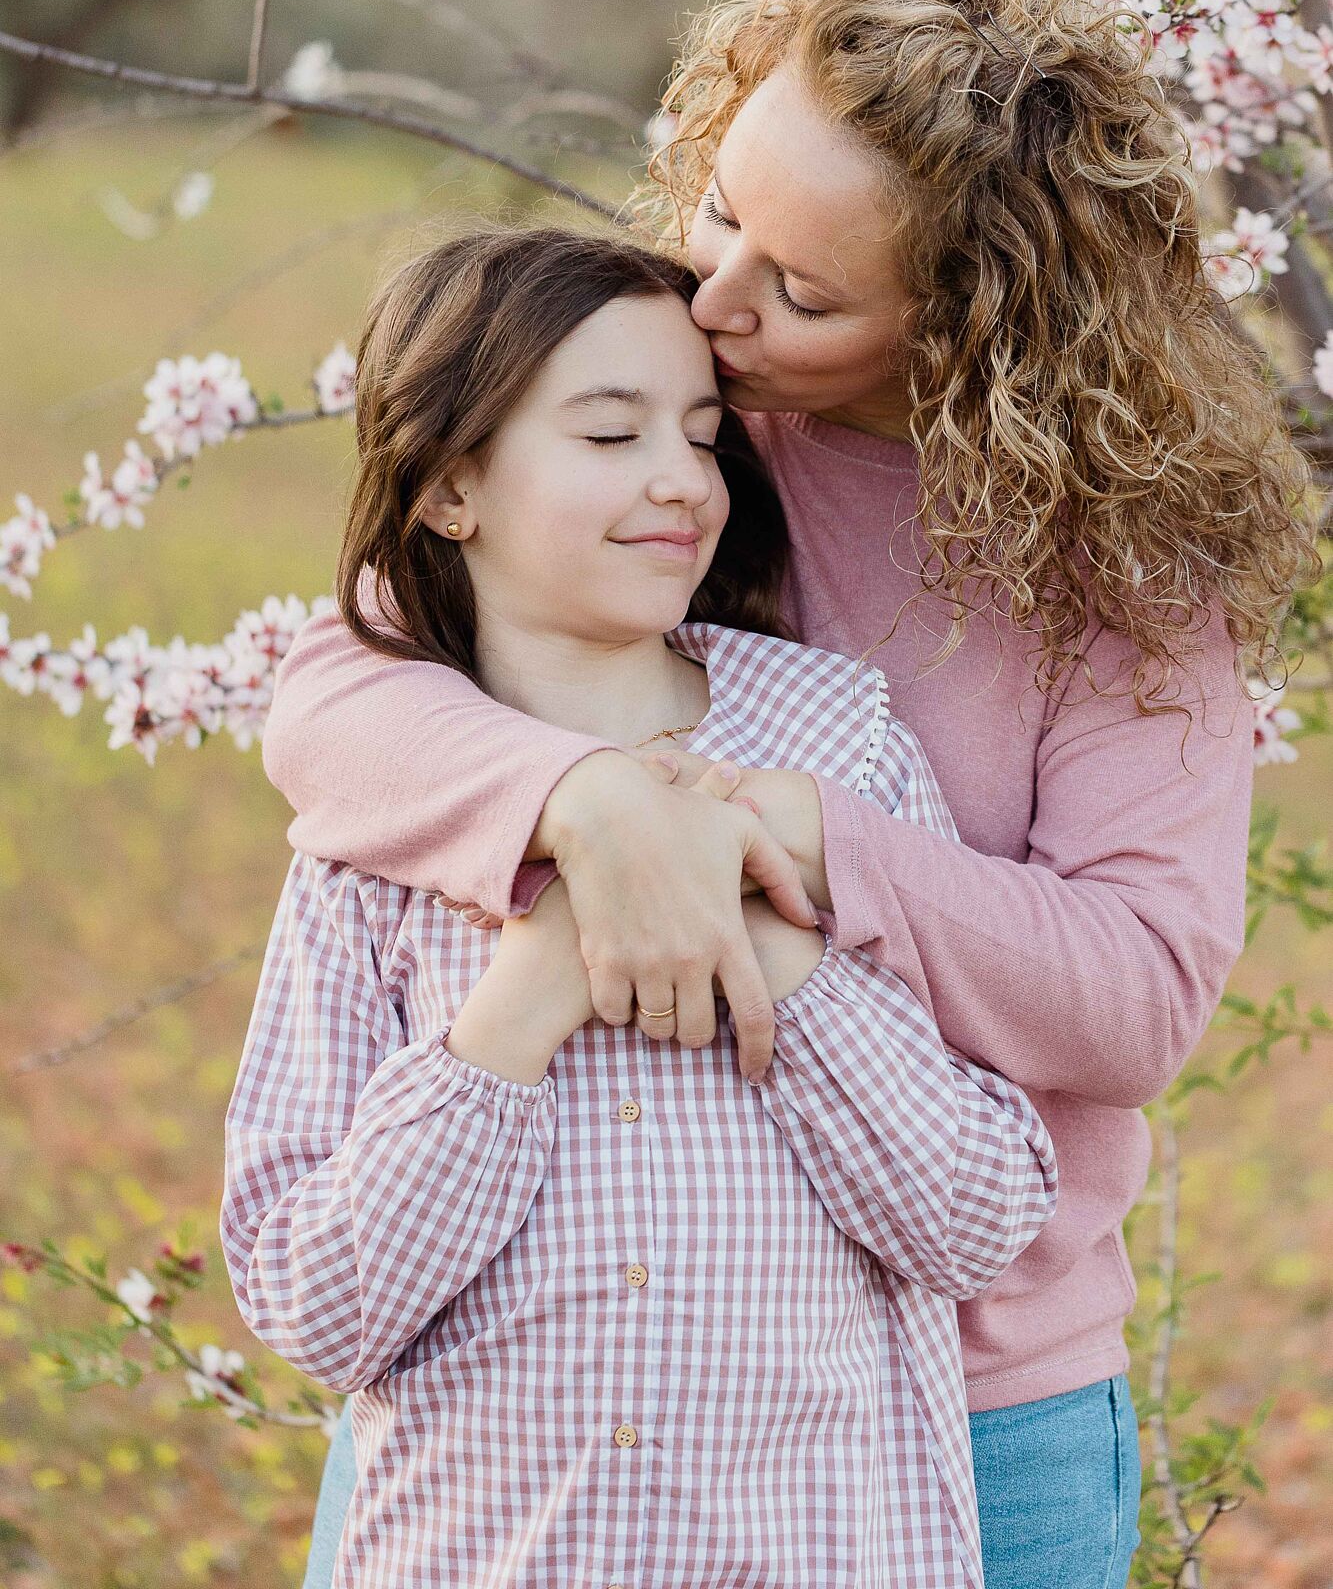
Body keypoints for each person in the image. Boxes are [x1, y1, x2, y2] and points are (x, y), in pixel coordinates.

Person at [263, 0, 1321, 1589]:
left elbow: (1130, 995)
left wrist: (796, 849)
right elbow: (343, 687)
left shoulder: (1120, 563)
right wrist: (588, 803)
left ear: (976, 317)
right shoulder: (680, 418)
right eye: (723, 210)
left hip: (971, 1402)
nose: (712, 293)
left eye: (802, 288)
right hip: (538, 1400)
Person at [222, 224, 1058, 1589]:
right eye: (609, 438)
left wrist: (784, 961)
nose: (682, 482)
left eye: (699, 433)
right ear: (448, 488)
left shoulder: (832, 741)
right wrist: (524, 999)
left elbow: (972, 1224)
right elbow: (316, 1306)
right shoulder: (384, 815)